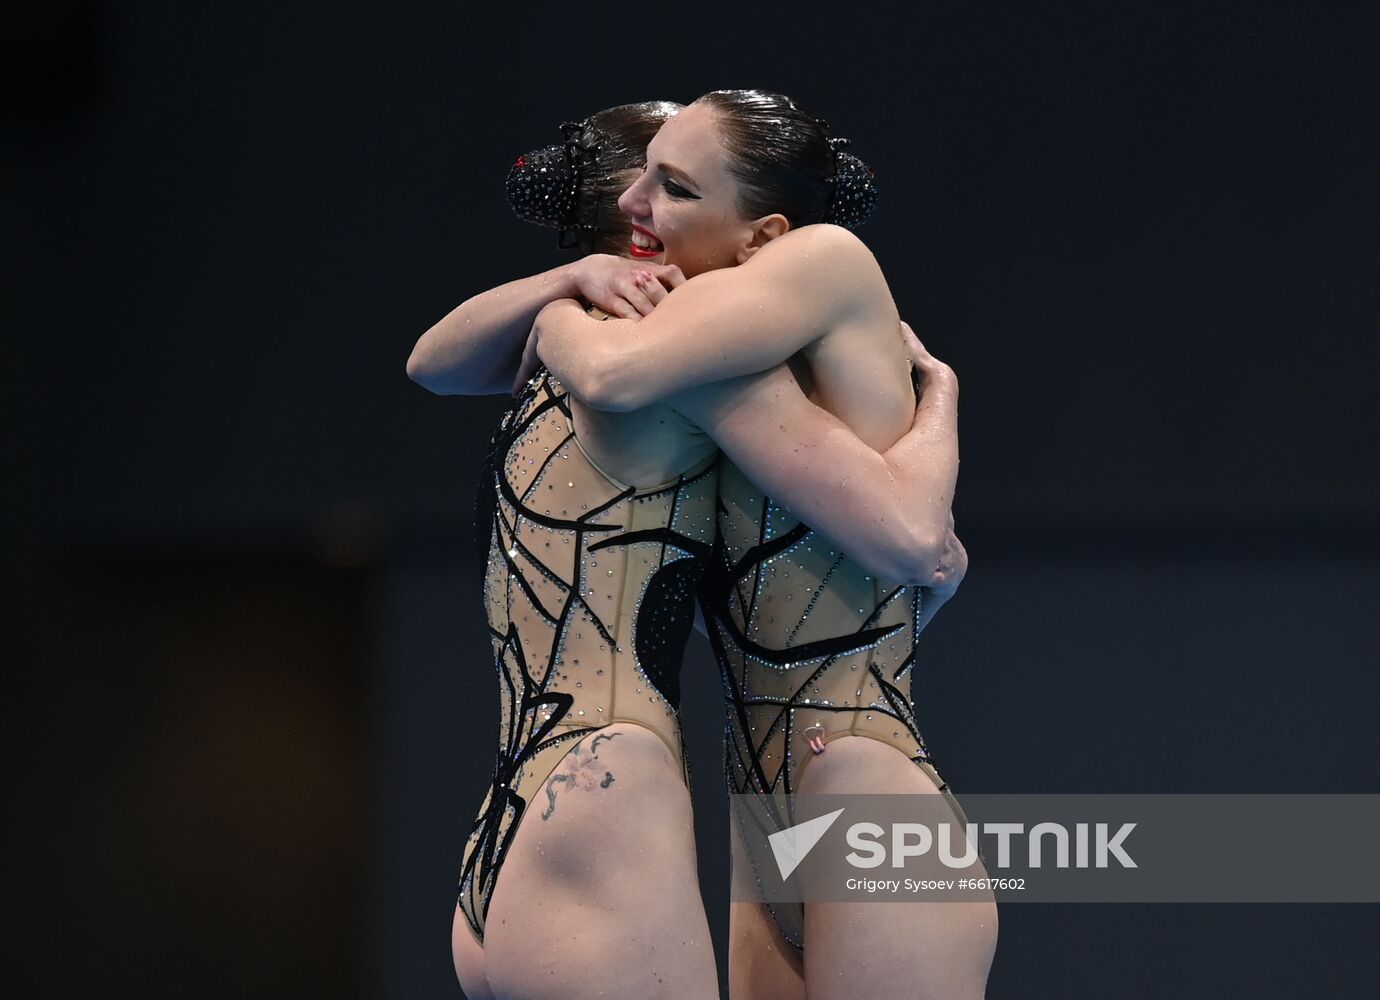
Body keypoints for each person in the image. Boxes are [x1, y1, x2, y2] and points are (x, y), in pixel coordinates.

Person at [408, 100, 967, 1000]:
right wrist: (940, 405)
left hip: (540, 806)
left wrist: (554, 309)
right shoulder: (680, 367)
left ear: (757, 234)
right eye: (647, 182)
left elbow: (434, 363)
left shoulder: (636, 357)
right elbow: (923, 552)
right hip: (685, 790)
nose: (646, 202)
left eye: (673, 186)